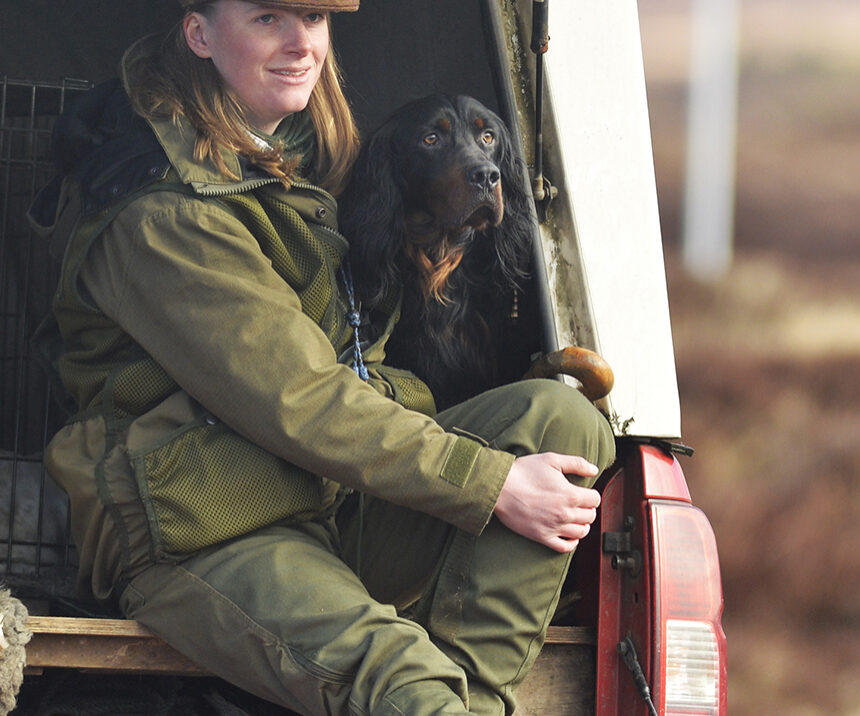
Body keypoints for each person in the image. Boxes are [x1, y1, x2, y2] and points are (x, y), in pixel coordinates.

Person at [29, 1, 615, 714]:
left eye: (313, 17)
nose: (299, 44)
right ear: (200, 33)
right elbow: (300, 399)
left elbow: (352, 372)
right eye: (269, 17)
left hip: (321, 496)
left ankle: (469, 701)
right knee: (404, 681)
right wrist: (489, 479)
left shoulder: (297, 170)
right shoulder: (164, 214)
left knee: (562, 423)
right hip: (205, 525)